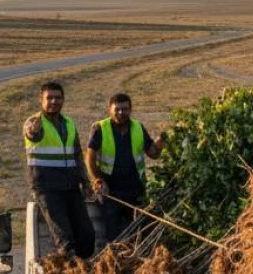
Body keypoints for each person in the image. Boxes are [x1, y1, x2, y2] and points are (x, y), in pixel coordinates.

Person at [23, 81, 95, 258]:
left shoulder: (69, 124)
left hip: (71, 187)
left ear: (63, 100)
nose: (54, 102)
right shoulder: (34, 122)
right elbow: (32, 133)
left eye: (58, 98)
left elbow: (77, 155)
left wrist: (86, 183)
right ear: (41, 100)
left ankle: (81, 268)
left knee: (87, 236)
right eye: (50, 98)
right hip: (48, 189)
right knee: (65, 239)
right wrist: (34, 130)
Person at [84, 92, 165, 242]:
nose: (121, 113)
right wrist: (97, 180)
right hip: (111, 191)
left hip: (136, 189)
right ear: (110, 109)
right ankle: (113, 258)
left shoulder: (138, 127)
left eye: (125, 109)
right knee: (113, 234)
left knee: (138, 232)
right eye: (118, 109)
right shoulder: (100, 128)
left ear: (130, 109)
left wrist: (159, 145)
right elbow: (89, 157)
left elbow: (152, 154)